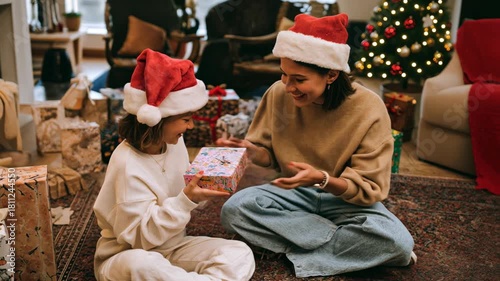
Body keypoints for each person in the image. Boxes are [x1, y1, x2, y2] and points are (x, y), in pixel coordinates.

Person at [216, 13, 416, 278]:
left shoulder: (369, 108)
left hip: (345, 199)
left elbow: (368, 190)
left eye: (299, 79)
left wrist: (322, 179)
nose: (288, 86)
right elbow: (270, 157)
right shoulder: (278, 93)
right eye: (284, 74)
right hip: (294, 194)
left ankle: (296, 247)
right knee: (234, 210)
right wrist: (254, 152)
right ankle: (344, 248)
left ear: (331, 74)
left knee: (398, 244)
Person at [93, 48, 255, 281]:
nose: (190, 127)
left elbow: (183, 194)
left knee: (238, 253)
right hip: (128, 254)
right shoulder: (128, 164)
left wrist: (206, 185)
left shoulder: (173, 143)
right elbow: (141, 238)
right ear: (157, 121)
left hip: (173, 246)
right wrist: (186, 200)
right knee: (142, 266)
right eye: (186, 120)